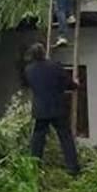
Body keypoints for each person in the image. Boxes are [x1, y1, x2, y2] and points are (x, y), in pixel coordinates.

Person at [21, 43, 80, 176]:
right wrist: (75, 84)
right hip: (57, 108)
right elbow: (67, 83)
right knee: (65, 137)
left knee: (37, 140)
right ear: (44, 53)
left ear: (32, 56)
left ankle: (34, 166)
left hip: (40, 110)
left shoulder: (28, 70)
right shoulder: (55, 66)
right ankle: (72, 168)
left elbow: (29, 85)